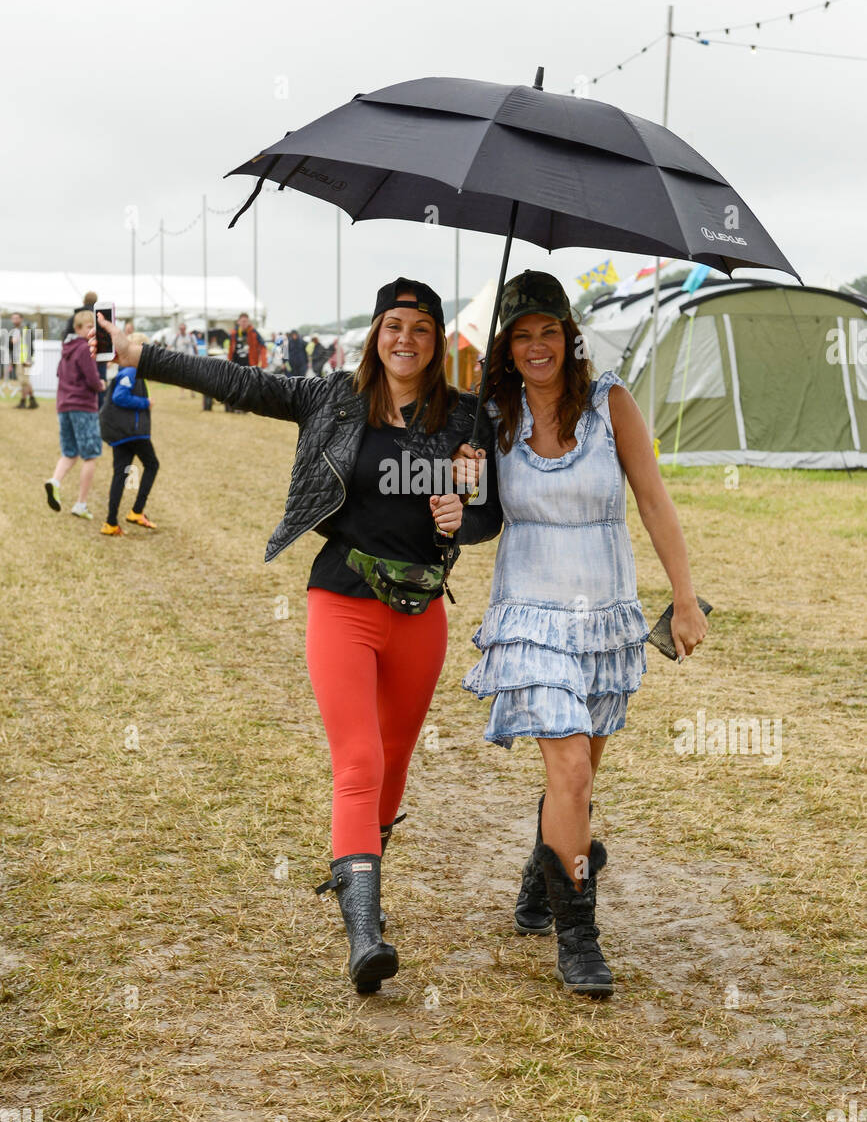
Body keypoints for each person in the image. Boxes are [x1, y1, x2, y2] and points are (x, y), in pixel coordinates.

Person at [90, 277, 502, 995]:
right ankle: (365, 935)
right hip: (340, 597)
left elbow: (486, 516)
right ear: (376, 333)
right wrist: (142, 353)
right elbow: (242, 382)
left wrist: (459, 518)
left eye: (421, 329)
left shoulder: (464, 421)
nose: (405, 339)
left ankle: (355, 874)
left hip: (420, 611)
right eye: (393, 325)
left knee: (396, 761)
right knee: (360, 759)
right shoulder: (334, 399)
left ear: (437, 343)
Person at [456, 271, 708, 999]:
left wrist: (683, 600)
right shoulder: (491, 416)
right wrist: (462, 481)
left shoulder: (611, 405)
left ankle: (544, 876)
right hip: (529, 611)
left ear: (569, 336)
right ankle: (579, 937)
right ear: (505, 346)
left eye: (548, 331)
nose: (537, 346)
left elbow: (655, 504)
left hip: (604, 612)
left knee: (579, 778)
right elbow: (474, 523)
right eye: (521, 334)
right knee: (567, 772)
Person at [44, 309, 104, 520]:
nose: (91, 331)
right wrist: (101, 385)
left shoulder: (66, 350)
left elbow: (60, 375)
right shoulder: (83, 349)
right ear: (78, 328)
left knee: (70, 453)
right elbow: (92, 378)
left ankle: (55, 481)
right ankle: (81, 503)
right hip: (83, 406)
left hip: (64, 406)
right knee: (91, 455)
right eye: (89, 327)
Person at [99, 332, 159, 536]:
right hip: (132, 432)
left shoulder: (127, 370)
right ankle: (136, 511)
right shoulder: (131, 372)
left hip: (122, 433)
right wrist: (145, 403)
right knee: (152, 465)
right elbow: (119, 397)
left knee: (121, 474)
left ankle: (111, 522)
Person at [7, 312, 38, 408]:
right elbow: (11, 347)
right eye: (13, 318)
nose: (15, 320)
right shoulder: (14, 331)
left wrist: (29, 359)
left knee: (24, 381)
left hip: (25, 361)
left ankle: (24, 401)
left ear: (21, 319)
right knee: (24, 381)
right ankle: (32, 401)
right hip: (19, 360)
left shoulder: (25, 329)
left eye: (16, 318)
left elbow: (30, 345)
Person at [172, 323, 197, 398]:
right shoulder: (176, 337)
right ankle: (182, 394)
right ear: (179, 329)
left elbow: (195, 346)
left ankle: (192, 392)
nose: (182, 330)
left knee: (191, 376)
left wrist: (197, 356)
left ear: (185, 329)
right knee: (181, 377)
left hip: (190, 358)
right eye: (181, 329)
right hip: (180, 359)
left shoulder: (191, 336)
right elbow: (171, 346)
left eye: (183, 329)